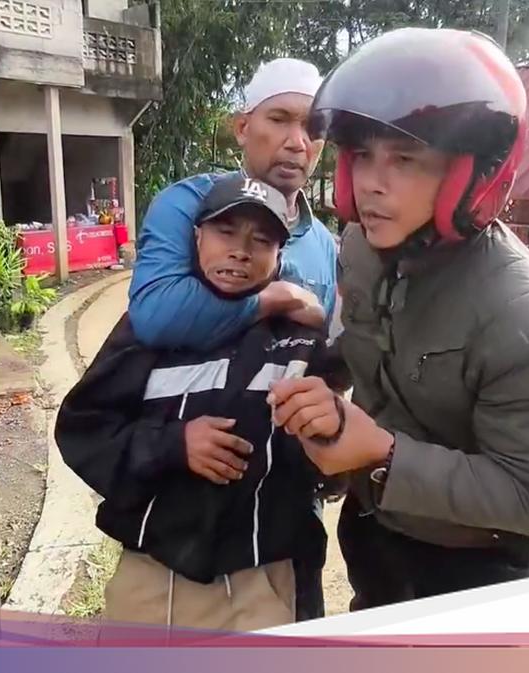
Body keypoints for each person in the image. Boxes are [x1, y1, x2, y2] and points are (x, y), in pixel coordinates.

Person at [269, 28, 529, 611]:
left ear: (470, 176)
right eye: (361, 155)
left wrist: (384, 454)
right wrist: (311, 371)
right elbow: (376, 343)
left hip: (470, 572)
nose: (372, 182)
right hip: (376, 538)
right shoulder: (363, 248)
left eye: (406, 159)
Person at [56, 175, 336, 632]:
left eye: (261, 240)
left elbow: (328, 463)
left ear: (280, 256)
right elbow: (83, 430)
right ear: (196, 237)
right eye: (226, 231)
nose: (240, 250)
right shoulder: (152, 333)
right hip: (153, 583)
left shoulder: (300, 343)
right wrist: (173, 444)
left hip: (263, 582)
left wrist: (330, 434)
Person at [125, 57, 340, 620]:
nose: (298, 142)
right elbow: (155, 314)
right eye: (280, 119)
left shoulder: (324, 243)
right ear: (243, 127)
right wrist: (274, 299)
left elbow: (331, 359)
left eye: (313, 128)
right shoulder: (187, 203)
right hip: (190, 512)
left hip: (287, 513)